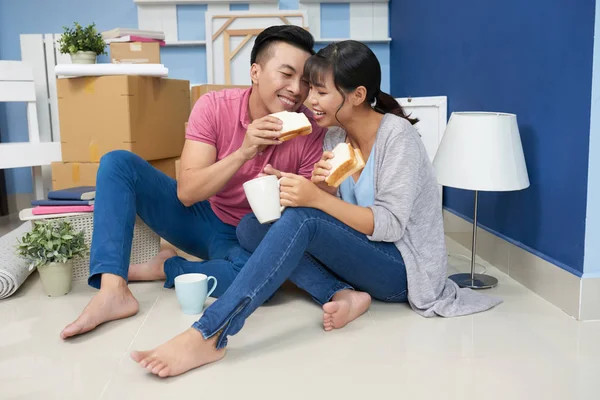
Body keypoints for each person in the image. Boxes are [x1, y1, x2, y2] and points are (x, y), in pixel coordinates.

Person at [130, 40, 502, 378]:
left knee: (302, 217)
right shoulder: (337, 134)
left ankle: (211, 332)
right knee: (251, 228)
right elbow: (335, 217)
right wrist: (302, 187)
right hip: (364, 257)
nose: (309, 101)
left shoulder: (397, 138)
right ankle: (342, 292)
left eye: (321, 92)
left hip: (402, 269)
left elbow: (387, 227)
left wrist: (317, 198)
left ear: (357, 95)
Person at [60, 26, 371, 340]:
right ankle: (113, 290)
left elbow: (304, 216)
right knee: (117, 163)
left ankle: (167, 268)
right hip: (201, 217)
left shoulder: (311, 129)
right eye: (286, 74)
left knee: (266, 283)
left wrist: (299, 187)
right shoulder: (214, 106)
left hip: (250, 235)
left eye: (304, 81)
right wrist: (243, 152)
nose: (296, 89)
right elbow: (186, 192)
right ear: (255, 71)